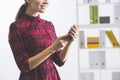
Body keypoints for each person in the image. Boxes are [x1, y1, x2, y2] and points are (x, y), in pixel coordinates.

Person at [8, 0, 79, 80]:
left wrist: (69, 42)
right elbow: (24, 66)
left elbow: (59, 61)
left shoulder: (49, 25)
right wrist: (52, 48)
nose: (47, 2)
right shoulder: (16, 27)